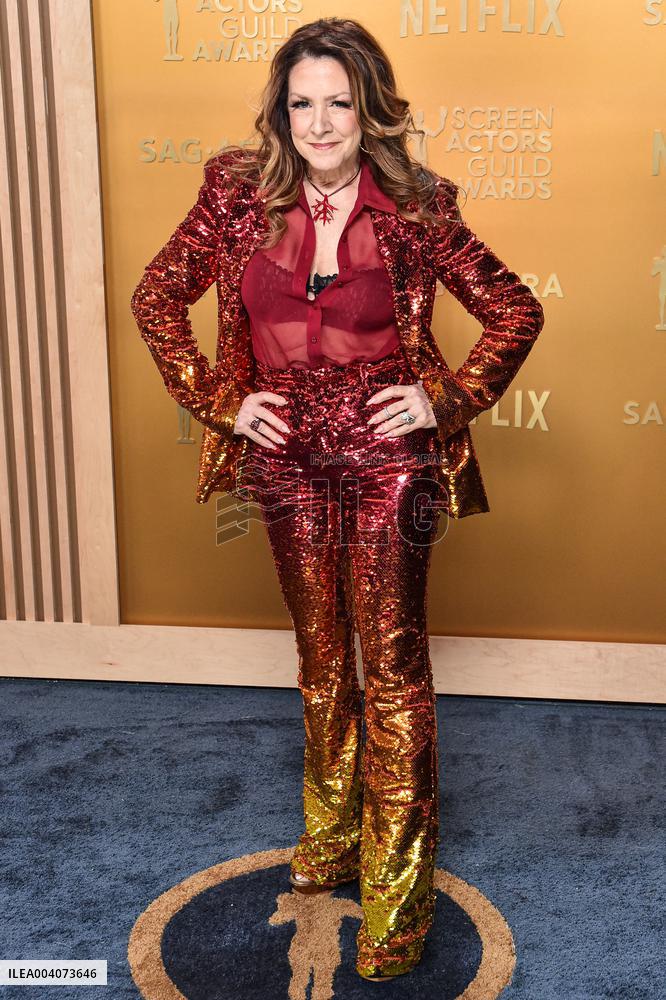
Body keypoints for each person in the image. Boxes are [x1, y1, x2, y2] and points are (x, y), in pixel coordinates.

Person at [130, 17, 545, 981]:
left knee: (393, 670)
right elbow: (157, 296)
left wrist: (440, 398)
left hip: (389, 457)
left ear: (372, 112)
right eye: (302, 101)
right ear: (282, 111)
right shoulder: (235, 193)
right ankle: (331, 838)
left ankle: (397, 906)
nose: (320, 122)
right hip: (284, 458)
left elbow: (517, 308)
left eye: (340, 103)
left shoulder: (418, 205)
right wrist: (222, 401)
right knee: (322, 658)